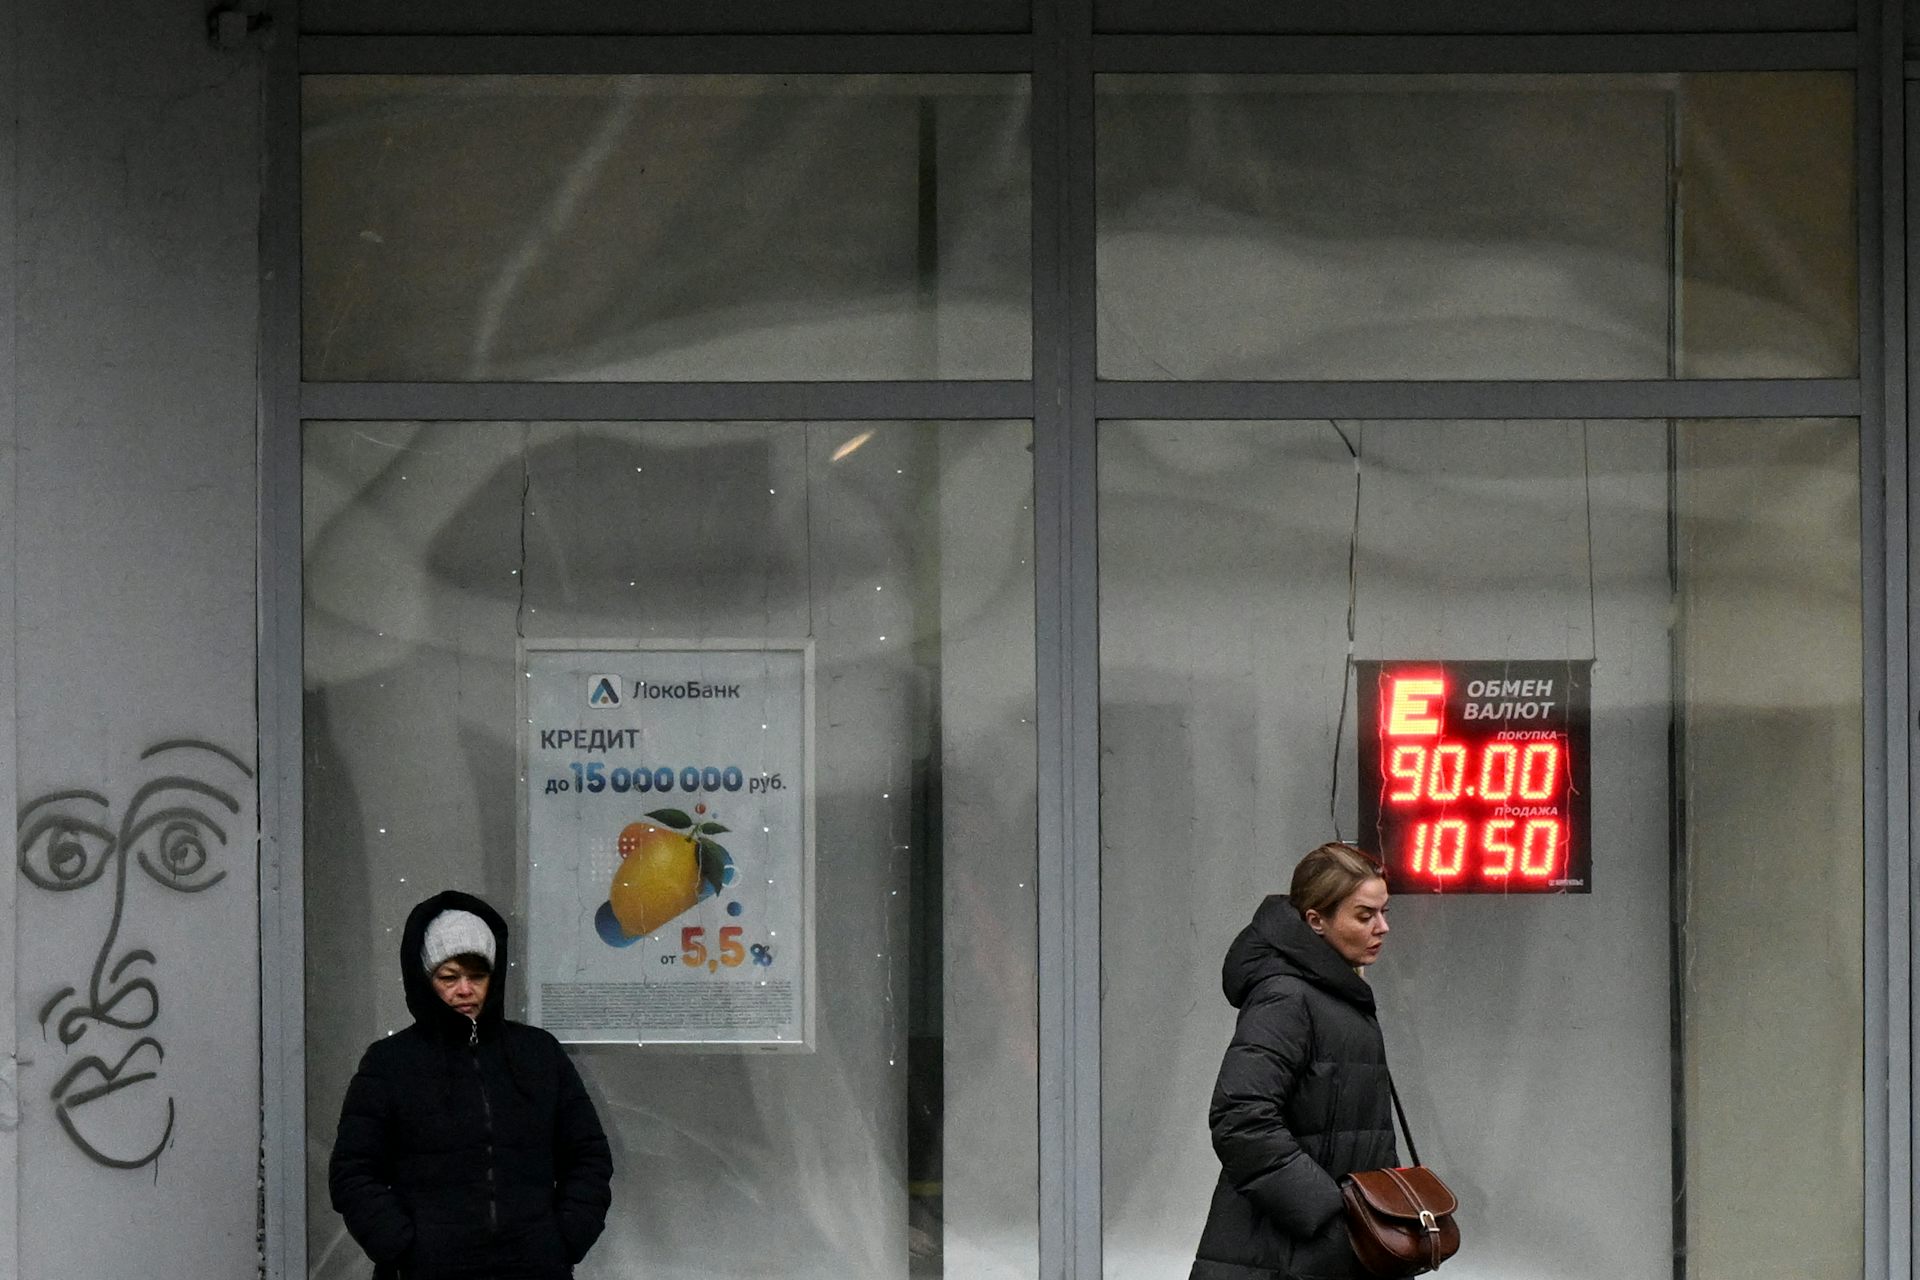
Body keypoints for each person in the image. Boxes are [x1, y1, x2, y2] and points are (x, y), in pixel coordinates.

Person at [330, 889, 614, 1280]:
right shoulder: (389, 1063)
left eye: (477, 976)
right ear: (425, 979)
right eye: (449, 977)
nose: (465, 989)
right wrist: (402, 1248)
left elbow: (588, 1156)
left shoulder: (538, 1054)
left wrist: (564, 1239)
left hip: (534, 1268)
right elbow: (354, 1171)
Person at [1190, 843, 1398, 1280]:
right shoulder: (1286, 996)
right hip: (1287, 1253)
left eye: (1383, 912)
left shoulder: (1334, 993)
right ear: (1316, 921)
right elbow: (1240, 1119)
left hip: (1332, 1252)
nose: (1382, 927)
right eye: (1364, 916)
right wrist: (1331, 1214)